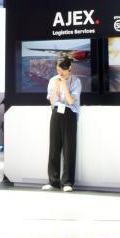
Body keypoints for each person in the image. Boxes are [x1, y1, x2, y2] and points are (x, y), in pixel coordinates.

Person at [43, 56, 82, 192]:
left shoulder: (76, 81)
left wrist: (64, 84)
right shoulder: (53, 80)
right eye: (58, 70)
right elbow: (51, 101)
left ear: (69, 68)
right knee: (54, 148)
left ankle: (67, 182)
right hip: (56, 113)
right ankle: (53, 181)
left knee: (69, 149)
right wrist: (56, 86)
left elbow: (71, 101)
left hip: (70, 114)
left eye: (62, 71)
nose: (60, 73)